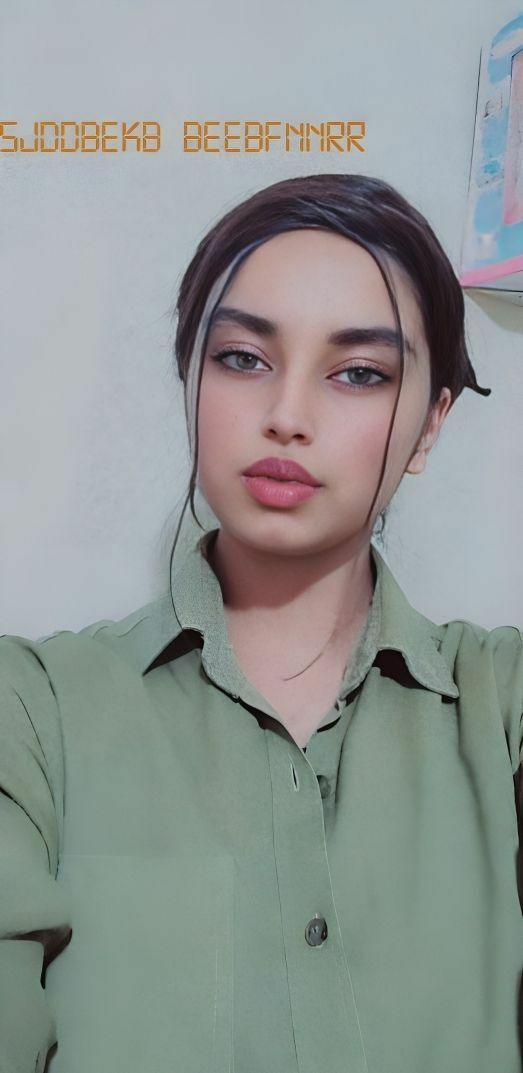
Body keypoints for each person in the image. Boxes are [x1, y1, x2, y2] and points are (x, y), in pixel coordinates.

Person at [0, 172, 521, 1073]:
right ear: (189, 377)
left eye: (359, 373)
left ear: (430, 426)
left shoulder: (502, 706)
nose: (286, 416)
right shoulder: (30, 713)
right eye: (242, 358)